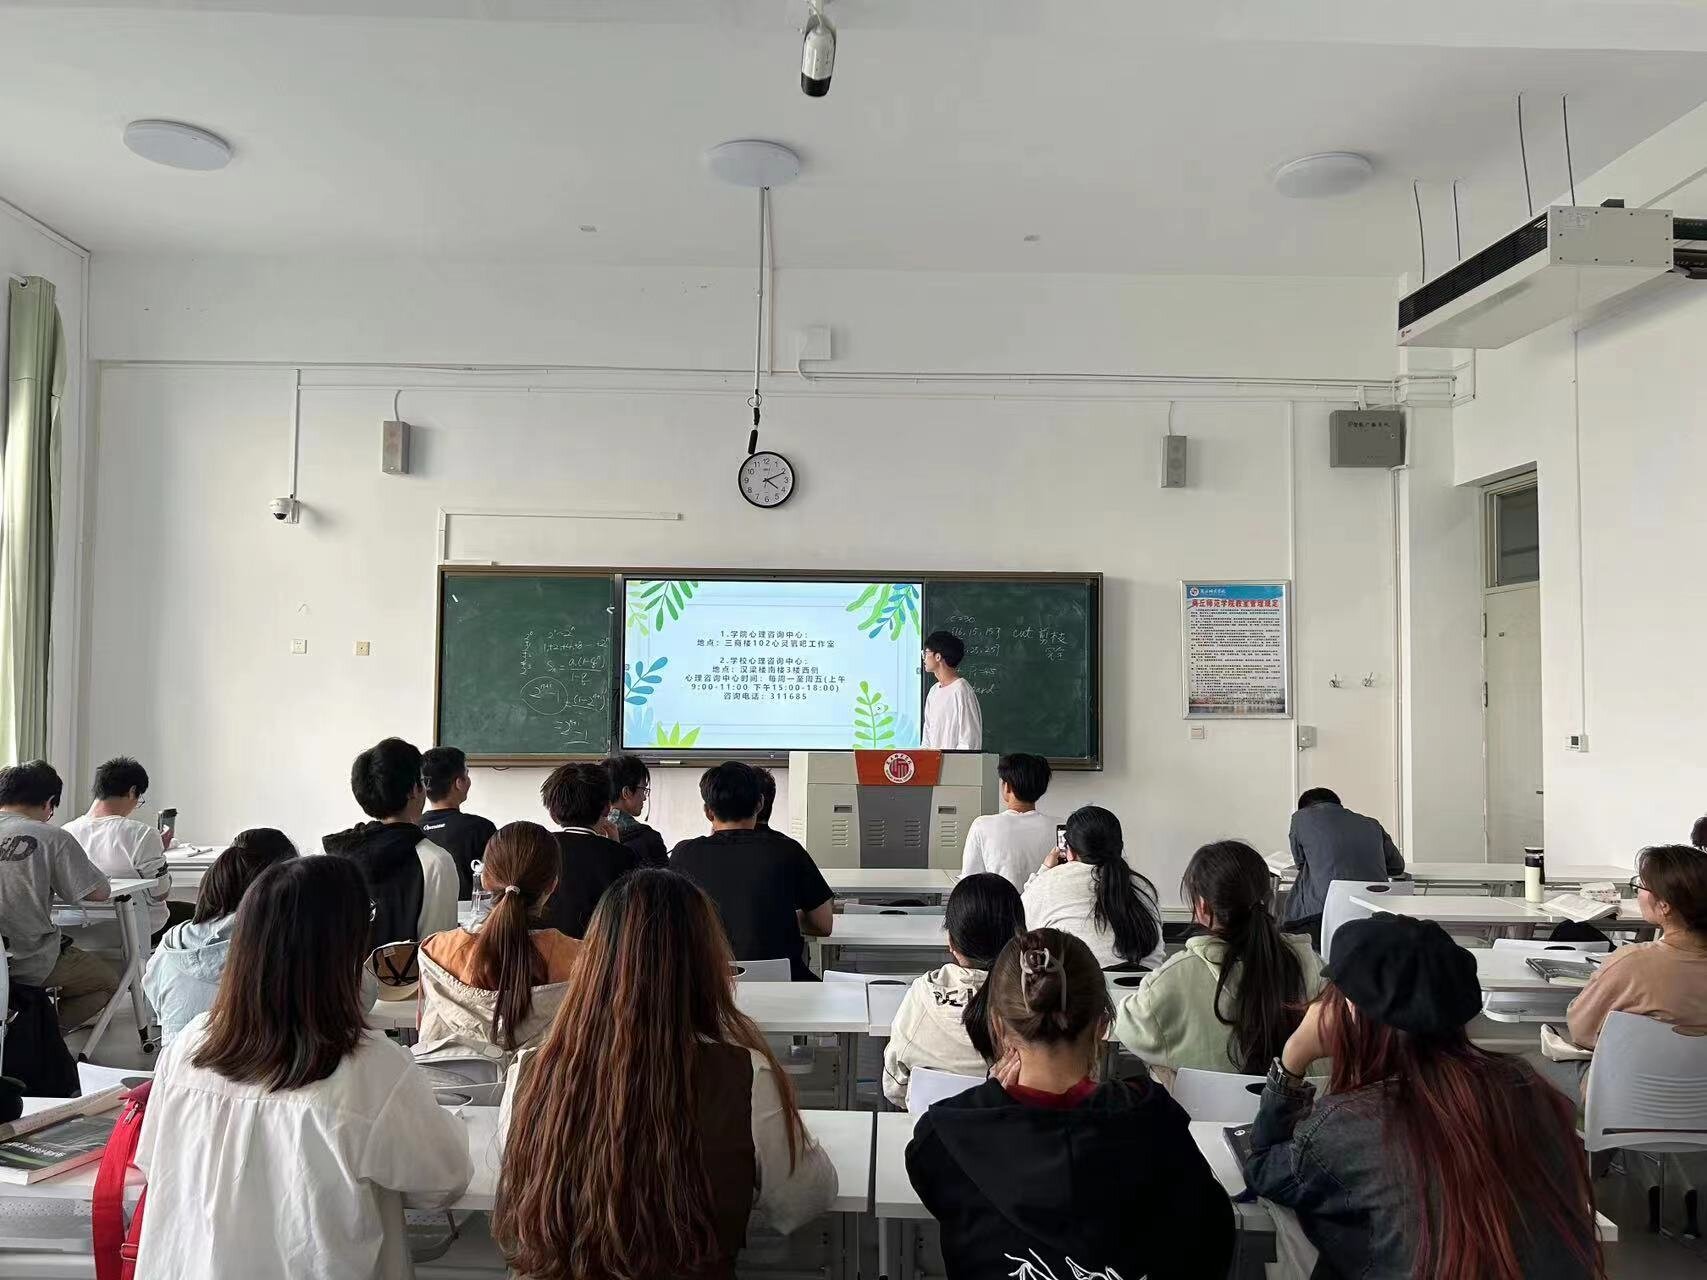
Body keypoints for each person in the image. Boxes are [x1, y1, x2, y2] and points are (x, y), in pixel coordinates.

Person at [132, 855, 471, 1280]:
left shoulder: (189, 1046)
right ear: (344, 947)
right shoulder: (372, 1068)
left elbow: (153, 1160)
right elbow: (442, 1182)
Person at [493, 868, 836, 1280]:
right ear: (706, 962)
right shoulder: (743, 1075)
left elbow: (514, 1184)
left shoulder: (530, 1071)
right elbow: (803, 1200)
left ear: (593, 961)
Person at [1244, 915, 1601, 1280]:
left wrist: (1293, 1056)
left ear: (1350, 1012)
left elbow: (1263, 1170)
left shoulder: (1347, 1124)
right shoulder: (1526, 1086)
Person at [905, 927, 1233, 1280]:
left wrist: (986, 1105)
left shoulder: (948, 1136)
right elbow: (1213, 1234)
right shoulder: (1157, 1125)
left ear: (998, 1026)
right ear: (1103, 1025)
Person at [1115, 840, 1323, 1078]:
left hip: (1200, 1103)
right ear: (1268, 898)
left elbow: (1126, 1029)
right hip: (1304, 1101)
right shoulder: (1313, 965)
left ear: (1203, 907)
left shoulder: (1172, 978)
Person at [1537, 843, 1707, 1097]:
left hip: (1629, 1101)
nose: (1637, 892)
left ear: (1665, 905)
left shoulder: (1631, 964)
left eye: (1641, 885)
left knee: (1532, 1065)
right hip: (1699, 1105)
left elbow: (1581, 1031)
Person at [416, 820, 580, 1063]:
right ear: (553, 885)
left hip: (449, 1086)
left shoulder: (436, 951)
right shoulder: (582, 959)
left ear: (484, 879)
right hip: (546, 1086)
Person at [671, 762, 833, 981]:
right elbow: (824, 924)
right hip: (782, 985)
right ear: (759, 804)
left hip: (705, 985)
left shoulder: (683, 854)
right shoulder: (788, 850)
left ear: (708, 812)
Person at [143, 828, 297, 1045]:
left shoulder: (171, 943)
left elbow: (157, 1005)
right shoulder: (283, 947)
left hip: (178, 1061)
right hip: (256, 1063)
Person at [883, 872, 1024, 1106]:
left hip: (928, 1125)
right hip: (1009, 1127)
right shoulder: (1038, 999)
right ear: (1020, 935)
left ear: (951, 941)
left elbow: (894, 1087)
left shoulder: (921, 995)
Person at [0, 760, 117, 1030]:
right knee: (106, 982)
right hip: (25, 960)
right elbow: (99, 892)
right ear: (49, 802)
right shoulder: (51, 837)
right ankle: (35, 1040)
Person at [323, 737, 458, 952]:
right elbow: (436, 956)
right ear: (413, 789)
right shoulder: (435, 862)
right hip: (406, 973)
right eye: (422, 781)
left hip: (341, 974)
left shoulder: (333, 855)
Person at [1021, 805, 1163, 970]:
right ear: (1119, 846)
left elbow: (1023, 919)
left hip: (1077, 985)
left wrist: (1044, 870)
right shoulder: (1143, 887)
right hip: (1144, 983)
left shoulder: (1047, 883)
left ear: (1070, 852)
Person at [62, 755, 183, 940]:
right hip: (133, 930)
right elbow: (160, 893)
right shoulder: (142, 834)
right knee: (202, 916)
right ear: (132, 791)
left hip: (75, 931)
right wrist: (160, 859)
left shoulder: (64, 833)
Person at [1282, 787, 1405, 937]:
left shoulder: (1300, 818)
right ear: (1338, 805)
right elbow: (1397, 866)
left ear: (1304, 809)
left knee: (1291, 912)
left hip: (1323, 916)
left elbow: (1300, 861)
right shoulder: (1372, 824)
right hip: (1376, 913)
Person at [539, 759, 637, 938]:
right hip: (599, 952)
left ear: (553, 814)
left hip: (542, 949)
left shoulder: (537, 847)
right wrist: (616, 848)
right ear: (607, 809)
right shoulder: (623, 856)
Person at [959, 753, 1056, 889]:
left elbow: (970, 881)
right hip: (1045, 902)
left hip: (998, 902)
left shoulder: (982, 825)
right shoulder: (1060, 826)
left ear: (1008, 787)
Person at [417, 746, 498, 900]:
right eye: (466, 774)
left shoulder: (412, 829)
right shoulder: (480, 828)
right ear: (459, 783)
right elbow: (495, 881)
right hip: (470, 914)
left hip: (421, 914)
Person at [921, 630, 983, 751]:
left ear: (938, 656)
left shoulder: (961, 690)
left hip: (955, 762)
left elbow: (969, 741)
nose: (923, 658)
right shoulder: (934, 691)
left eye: (926, 652)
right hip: (934, 761)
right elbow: (927, 738)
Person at [603, 753, 668, 867]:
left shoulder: (591, 835)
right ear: (626, 792)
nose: (644, 797)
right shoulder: (649, 839)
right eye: (643, 789)